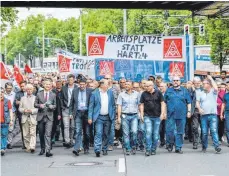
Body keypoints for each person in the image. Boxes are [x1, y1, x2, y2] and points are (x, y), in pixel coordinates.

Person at [88, 79, 116, 157]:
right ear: (102, 85)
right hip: (98, 117)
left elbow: (113, 105)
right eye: (107, 84)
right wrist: (90, 117)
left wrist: (113, 115)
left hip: (108, 117)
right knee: (98, 133)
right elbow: (91, 106)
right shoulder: (94, 93)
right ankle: (97, 150)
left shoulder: (110, 92)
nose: (108, 85)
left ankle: (104, 148)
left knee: (106, 134)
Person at [164, 76, 192, 154]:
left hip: (181, 114)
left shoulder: (184, 91)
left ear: (180, 81)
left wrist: (189, 112)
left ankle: (178, 147)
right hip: (170, 114)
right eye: (174, 80)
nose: (175, 81)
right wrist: (164, 112)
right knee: (169, 131)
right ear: (172, 82)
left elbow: (189, 102)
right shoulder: (168, 90)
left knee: (180, 132)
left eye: (177, 80)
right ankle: (170, 144)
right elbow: (164, 102)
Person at [196, 75, 222, 153]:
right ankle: (204, 146)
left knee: (214, 131)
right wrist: (199, 108)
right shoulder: (200, 93)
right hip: (203, 116)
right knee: (204, 132)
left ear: (209, 85)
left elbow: (216, 87)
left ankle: (216, 146)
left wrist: (210, 78)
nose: (203, 85)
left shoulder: (213, 92)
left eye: (205, 83)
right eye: (203, 83)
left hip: (213, 115)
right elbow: (197, 102)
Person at [140, 81, 166, 156]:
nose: (146, 87)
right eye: (145, 86)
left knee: (155, 134)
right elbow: (141, 104)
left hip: (157, 117)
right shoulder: (144, 94)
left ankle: (153, 149)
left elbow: (162, 103)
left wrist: (162, 113)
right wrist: (141, 114)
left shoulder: (158, 93)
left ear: (152, 86)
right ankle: (148, 149)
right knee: (148, 132)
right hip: (147, 116)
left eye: (147, 86)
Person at [69, 79, 93, 156]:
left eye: (83, 84)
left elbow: (92, 103)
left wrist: (91, 115)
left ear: (86, 84)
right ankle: (76, 148)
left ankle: (86, 147)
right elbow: (71, 102)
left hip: (87, 113)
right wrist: (70, 113)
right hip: (78, 113)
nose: (82, 86)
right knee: (78, 130)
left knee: (87, 132)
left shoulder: (90, 91)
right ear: (79, 84)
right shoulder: (75, 91)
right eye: (80, 84)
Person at [117, 81, 141, 155]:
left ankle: (133, 146)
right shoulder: (121, 95)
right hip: (125, 115)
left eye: (128, 84)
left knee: (134, 131)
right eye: (125, 84)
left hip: (134, 115)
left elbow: (140, 105)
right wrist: (118, 117)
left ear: (132, 86)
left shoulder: (137, 94)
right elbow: (119, 106)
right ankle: (128, 148)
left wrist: (141, 114)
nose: (126, 85)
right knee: (126, 133)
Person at [34, 79, 56, 157]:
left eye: (49, 84)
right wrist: (40, 105)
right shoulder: (39, 94)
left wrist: (52, 106)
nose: (48, 86)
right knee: (41, 134)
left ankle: (48, 150)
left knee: (48, 134)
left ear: (51, 85)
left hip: (49, 116)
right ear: (43, 85)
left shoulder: (53, 94)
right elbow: (35, 104)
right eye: (46, 84)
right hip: (40, 116)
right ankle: (42, 148)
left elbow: (55, 105)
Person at [19, 84, 38, 153]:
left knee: (33, 133)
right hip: (25, 117)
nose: (29, 91)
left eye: (30, 89)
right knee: (26, 133)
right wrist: (24, 110)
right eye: (28, 89)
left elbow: (37, 108)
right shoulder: (22, 98)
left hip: (33, 117)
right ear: (26, 90)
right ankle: (28, 146)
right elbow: (20, 108)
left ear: (33, 90)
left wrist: (32, 111)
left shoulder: (36, 98)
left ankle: (32, 146)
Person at [61, 74, 77, 148]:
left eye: (71, 80)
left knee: (73, 126)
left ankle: (72, 139)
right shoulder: (64, 88)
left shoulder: (77, 87)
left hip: (74, 109)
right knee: (66, 126)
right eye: (69, 80)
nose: (70, 81)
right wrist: (62, 106)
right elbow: (60, 98)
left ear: (74, 80)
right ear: (67, 80)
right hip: (66, 109)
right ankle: (67, 141)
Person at [14, 81, 27, 149]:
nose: (22, 87)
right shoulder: (18, 93)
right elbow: (16, 102)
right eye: (21, 86)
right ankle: (24, 143)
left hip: (30, 114)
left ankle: (30, 143)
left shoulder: (30, 92)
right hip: (21, 114)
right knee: (23, 129)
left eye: (23, 86)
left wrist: (21, 102)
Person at [0, 87, 13, 156]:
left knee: (4, 135)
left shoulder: (7, 101)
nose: (0, 94)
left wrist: (11, 120)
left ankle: (3, 148)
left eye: (2, 92)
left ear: (3, 93)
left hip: (5, 121)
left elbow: (10, 111)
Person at [192, 77, 203, 149]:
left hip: (203, 110)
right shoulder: (190, 90)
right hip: (195, 110)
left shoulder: (204, 89)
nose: (197, 83)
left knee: (203, 127)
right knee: (195, 127)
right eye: (195, 82)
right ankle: (195, 142)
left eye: (198, 82)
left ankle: (202, 140)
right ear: (193, 83)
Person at [51, 80, 64, 144]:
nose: (59, 85)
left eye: (60, 84)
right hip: (55, 110)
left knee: (64, 125)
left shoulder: (64, 91)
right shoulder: (53, 91)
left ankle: (65, 138)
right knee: (54, 125)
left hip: (63, 109)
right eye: (57, 84)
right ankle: (54, 137)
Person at [4, 82, 16, 149]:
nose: (9, 89)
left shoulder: (14, 94)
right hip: (4, 113)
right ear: (5, 88)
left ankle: (9, 143)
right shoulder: (2, 94)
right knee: (4, 128)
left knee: (11, 129)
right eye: (8, 88)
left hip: (12, 113)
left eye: (10, 88)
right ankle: (4, 142)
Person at [158, 82, 167, 148]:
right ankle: (162, 141)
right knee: (160, 129)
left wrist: (165, 113)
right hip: (159, 114)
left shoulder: (168, 94)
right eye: (160, 86)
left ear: (166, 87)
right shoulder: (157, 94)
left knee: (167, 129)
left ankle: (169, 142)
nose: (161, 88)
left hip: (167, 114)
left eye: (162, 86)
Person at [220, 81, 229, 147]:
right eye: (226, 85)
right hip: (227, 112)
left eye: (228, 85)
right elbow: (223, 104)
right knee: (227, 128)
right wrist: (221, 114)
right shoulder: (225, 95)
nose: (227, 86)